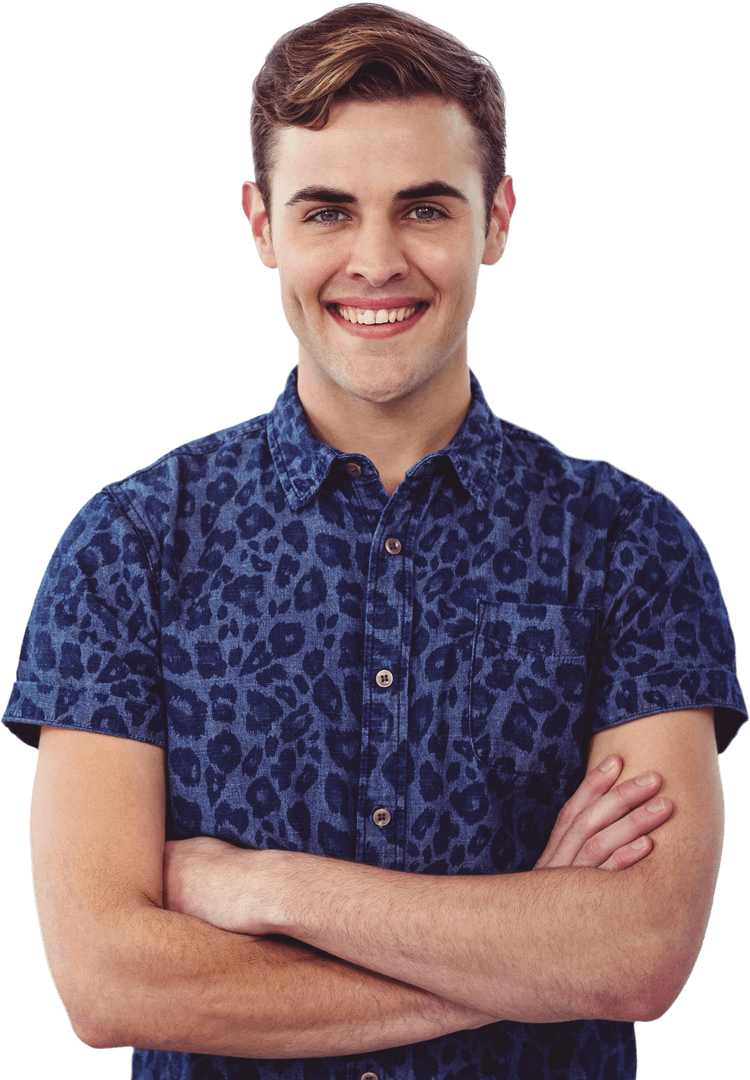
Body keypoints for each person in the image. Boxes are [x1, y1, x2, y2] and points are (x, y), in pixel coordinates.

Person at [3, 4, 746, 1078]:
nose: (377, 259)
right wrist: (525, 949)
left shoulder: (628, 544)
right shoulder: (128, 548)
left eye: (425, 209)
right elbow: (106, 981)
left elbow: (637, 954)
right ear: (262, 228)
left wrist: (267, 889)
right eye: (327, 212)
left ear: (496, 220)